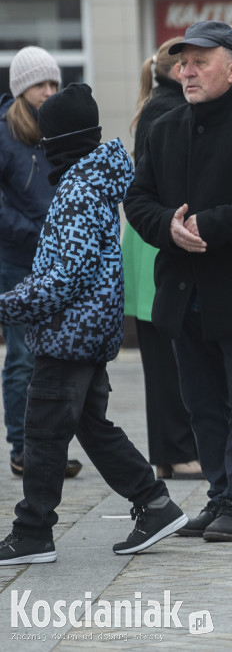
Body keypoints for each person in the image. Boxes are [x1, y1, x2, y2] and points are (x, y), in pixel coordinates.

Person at [124, 21, 232, 542]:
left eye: (200, 61)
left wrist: (210, 225)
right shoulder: (163, 127)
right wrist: (169, 228)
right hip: (184, 291)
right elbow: (139, 201)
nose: (187, 71)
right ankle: (219, 493)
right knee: (201, 404)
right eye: (183, 62)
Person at [0, 83, 187, 565]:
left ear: (59, 140)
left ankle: (33, 532)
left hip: (70, 334)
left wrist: (8, 305)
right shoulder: (89, 180)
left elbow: (65, 276)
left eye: (46, 137)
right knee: (92, 428)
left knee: (43, 432)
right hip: (84, 329)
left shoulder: (79, 189)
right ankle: (156, 503)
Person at [0, 46, 82, 480]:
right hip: (17, 261)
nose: (49, 92)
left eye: (54, 83)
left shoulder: (60, 128)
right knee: (21, 359)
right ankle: (21, 447)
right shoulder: (3, 133)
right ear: (20, 89)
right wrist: (35, 233)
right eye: (39, 85)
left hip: (59, 263)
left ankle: (49, 446)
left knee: (58, 357)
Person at [125, 36, 201, 482]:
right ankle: (176, 451)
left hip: (147, 243)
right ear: (177, 70)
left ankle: (170, 452)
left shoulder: (157, 103)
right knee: (167, 358)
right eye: (190, 63)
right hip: (159, 243)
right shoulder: (170, 109)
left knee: (164, 356)